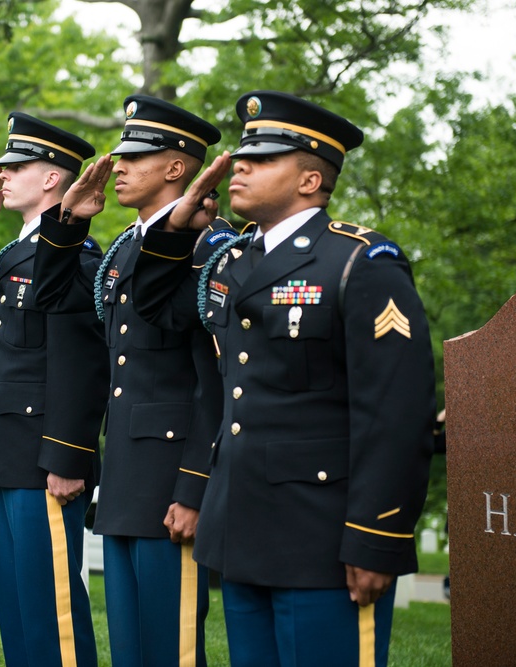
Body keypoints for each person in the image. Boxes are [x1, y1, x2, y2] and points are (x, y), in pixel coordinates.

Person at [130, 90, 437, 667]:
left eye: (263, 158)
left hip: (324, 537)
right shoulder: (232, 262)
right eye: (243, 154)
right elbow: (157, 306)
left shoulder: (359, 262)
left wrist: (377, 535)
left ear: (309, 181)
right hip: (242, 531)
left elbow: (395, 413)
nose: (239, 165)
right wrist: (176, 223)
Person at [32, 95, 234, 667]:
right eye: (119, 155)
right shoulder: (124, 246)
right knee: (131, 646)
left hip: (172, 478)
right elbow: (54, 300)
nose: (117, 166)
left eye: (134, 157)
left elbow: (215, 378)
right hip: (125, 472)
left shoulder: (208, 246)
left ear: (176, 168)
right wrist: (69, 223)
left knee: (170, 646)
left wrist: (195, 486)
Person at [0, 112, 109, 667]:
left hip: (45, 455)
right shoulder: (16, 253)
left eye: (16, 167)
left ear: (53, 177)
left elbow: (81, 365)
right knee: (16, 602)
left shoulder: (76, 258)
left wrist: (68, 456)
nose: (1, 176)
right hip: (8, 450)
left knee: (51, 605)